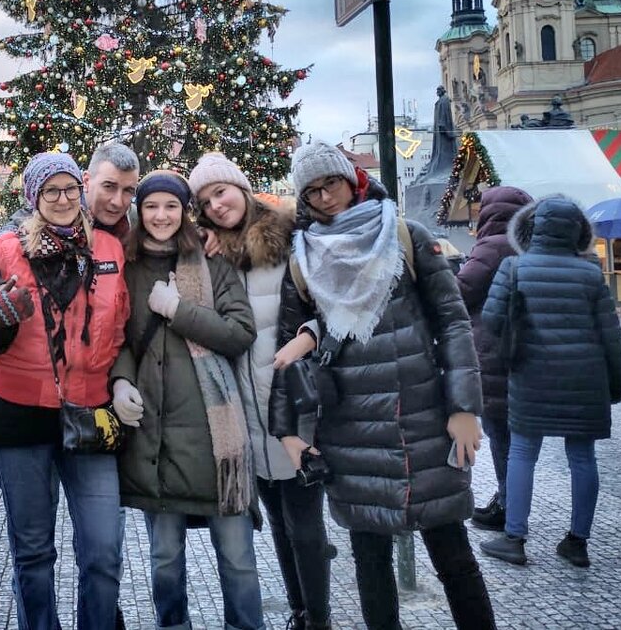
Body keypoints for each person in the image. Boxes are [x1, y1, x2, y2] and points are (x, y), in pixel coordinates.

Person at [269, 142, 495, 630]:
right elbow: (290, 348)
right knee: (370, 565)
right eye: (311, 191)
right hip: (351, 429)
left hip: (422, 419)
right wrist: (290, 432)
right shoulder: (303, 258)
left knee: (452, 553)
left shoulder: (404, 235)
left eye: (330, 183)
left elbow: (453, 324)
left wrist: (464, 408)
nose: (324, 197)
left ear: (351, 179)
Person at [0, 152, 130, 630]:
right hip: (20, 417)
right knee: (33, 553)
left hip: (90, 414)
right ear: (34, 197)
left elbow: (118, 327)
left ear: (82, 191)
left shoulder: (108, 251)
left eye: (70, 189)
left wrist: (113, 379)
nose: (62, 199)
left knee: (102, 551)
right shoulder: (7, 250)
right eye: (50, 191)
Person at [110, 170, 263, 630]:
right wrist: (120, 381)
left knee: (237, 560)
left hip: (218, 441)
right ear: (140, 210)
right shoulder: (127, 266)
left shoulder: (212, 263)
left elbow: (240, 333)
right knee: (164, 559)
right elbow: (115, 338)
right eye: (152, 206)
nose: (161, 215)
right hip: (156, 439)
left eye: (171, 206)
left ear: (184, 211)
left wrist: (179, 311)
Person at [190, 153, 332, 630]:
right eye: (206, 201)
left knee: (306, 523)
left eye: (221, 192)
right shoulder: (216, 254)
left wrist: (310, 335)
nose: (216, 205)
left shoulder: (292, 238)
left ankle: (319, 619)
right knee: (278, 520)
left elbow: (332, 310)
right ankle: (299, 611)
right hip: (249, 412)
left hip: (293, 405)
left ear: (243, 187)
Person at [478, 196, 621, 569]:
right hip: (585, 378)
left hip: (531, 374)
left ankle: (515, 538)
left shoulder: (514, 267)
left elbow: (492, 320)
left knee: (522, 453)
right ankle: (577, 543)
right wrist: (619, 384)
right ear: (577, 232)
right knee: (582, 457)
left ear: (532, 228)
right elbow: (612, 336)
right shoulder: (592, 273)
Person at [0, 141, 141, 309]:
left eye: (128, 191)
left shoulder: (134, 221)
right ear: (87, 181)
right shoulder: (36, 221)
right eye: (109, 187)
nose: (117, 201)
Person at [454, 186, 534, 531]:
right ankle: (509, 502)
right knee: (516, 436)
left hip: (492, 348)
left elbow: (461, 291)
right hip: (523, 351)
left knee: (501, 432)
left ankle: (507, 504)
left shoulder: (492, 245)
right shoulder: (527, 245)